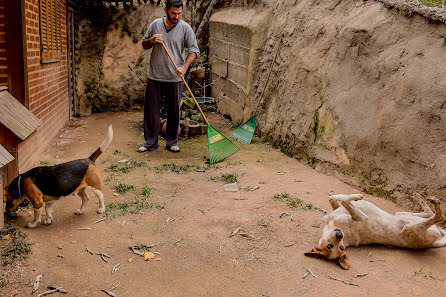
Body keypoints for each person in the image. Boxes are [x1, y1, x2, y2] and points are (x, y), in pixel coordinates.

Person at [138, 0, 199, 153]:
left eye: (179, 13)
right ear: (166, 10)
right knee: (152, 112)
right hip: (155, 76)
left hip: (174, 78)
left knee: (174, 112)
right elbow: (144, 44)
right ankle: (151, 143)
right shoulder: (155, 25)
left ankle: (172, 141)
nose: (176, 16)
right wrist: (151, 40)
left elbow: (194, 51)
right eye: (173, 13)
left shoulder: (185, 28)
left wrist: (184, 67)